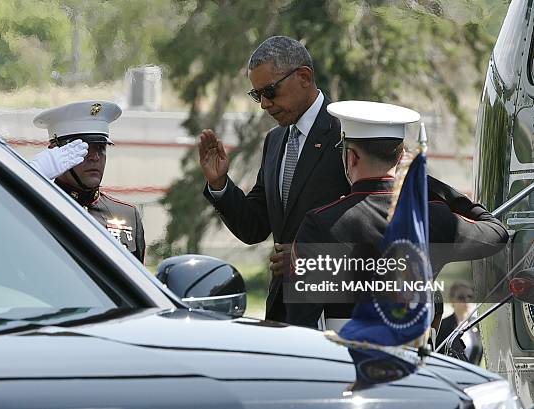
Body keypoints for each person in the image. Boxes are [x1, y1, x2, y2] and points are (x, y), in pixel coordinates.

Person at [288, 101, 508, 330]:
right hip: (414, 360)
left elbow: (301, 322)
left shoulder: (321, 223)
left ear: (351, 156)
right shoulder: (432, 216)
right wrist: (428, 183)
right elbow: (496, 233)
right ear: (401, 156)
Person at [198, 36, 350, 322]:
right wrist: (220, 185)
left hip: (335, 314)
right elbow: (255, 227)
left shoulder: (346, 135)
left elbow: (376, 229)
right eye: (257, 95)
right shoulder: (276, 139)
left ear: (304, 77)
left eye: (270, 91)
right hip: (283, 312)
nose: (264, 104)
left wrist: (313, 258)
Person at [33, 100, 145, 263]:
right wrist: (31, 177)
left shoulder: (127, 214)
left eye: (101, 147)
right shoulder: (38, 206)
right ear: (55, 152)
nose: (95, 157)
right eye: (83, 148)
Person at [437, 280, 483, 364]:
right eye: (461, 297)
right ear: (452, 300)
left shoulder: (478, 325)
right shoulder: (442, 326)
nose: (466, 300)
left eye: (470, 296)